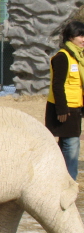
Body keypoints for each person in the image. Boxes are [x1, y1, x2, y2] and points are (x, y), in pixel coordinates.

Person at [46, 21, 84, 180]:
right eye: (80, 35)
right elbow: (58, 84)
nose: (83, 39)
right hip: (65, 108)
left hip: (76, 108)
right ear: (70, 37)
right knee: (71, 145)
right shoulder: (62, 57)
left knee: (66, 145)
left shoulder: (78, 57)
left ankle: (60, 180)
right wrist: (62, 109)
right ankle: (70, 182)